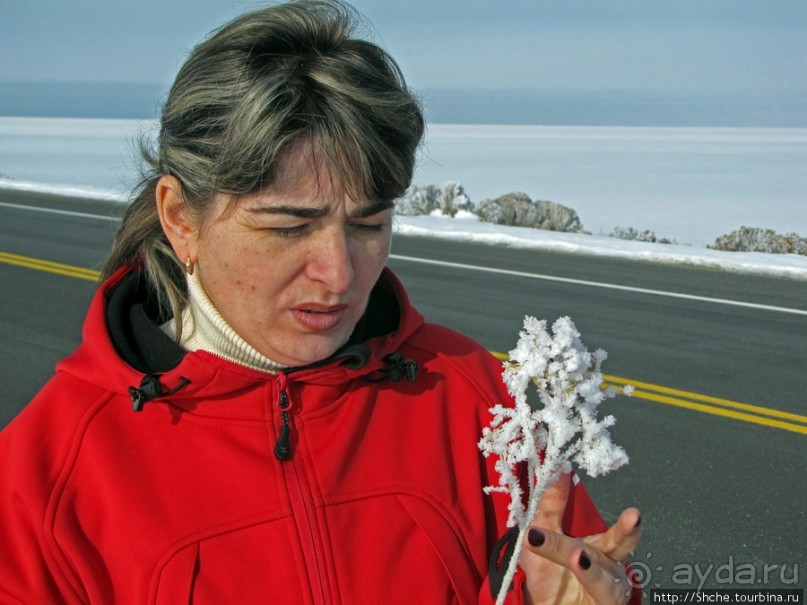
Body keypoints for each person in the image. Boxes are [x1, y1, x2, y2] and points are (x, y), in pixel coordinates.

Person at [0, 1, 641, 603]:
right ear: (180, 217)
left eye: (367, 225)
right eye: (287, 227)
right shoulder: (43, 479)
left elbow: (575, 573)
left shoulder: (475, 401)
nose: (339, 276)